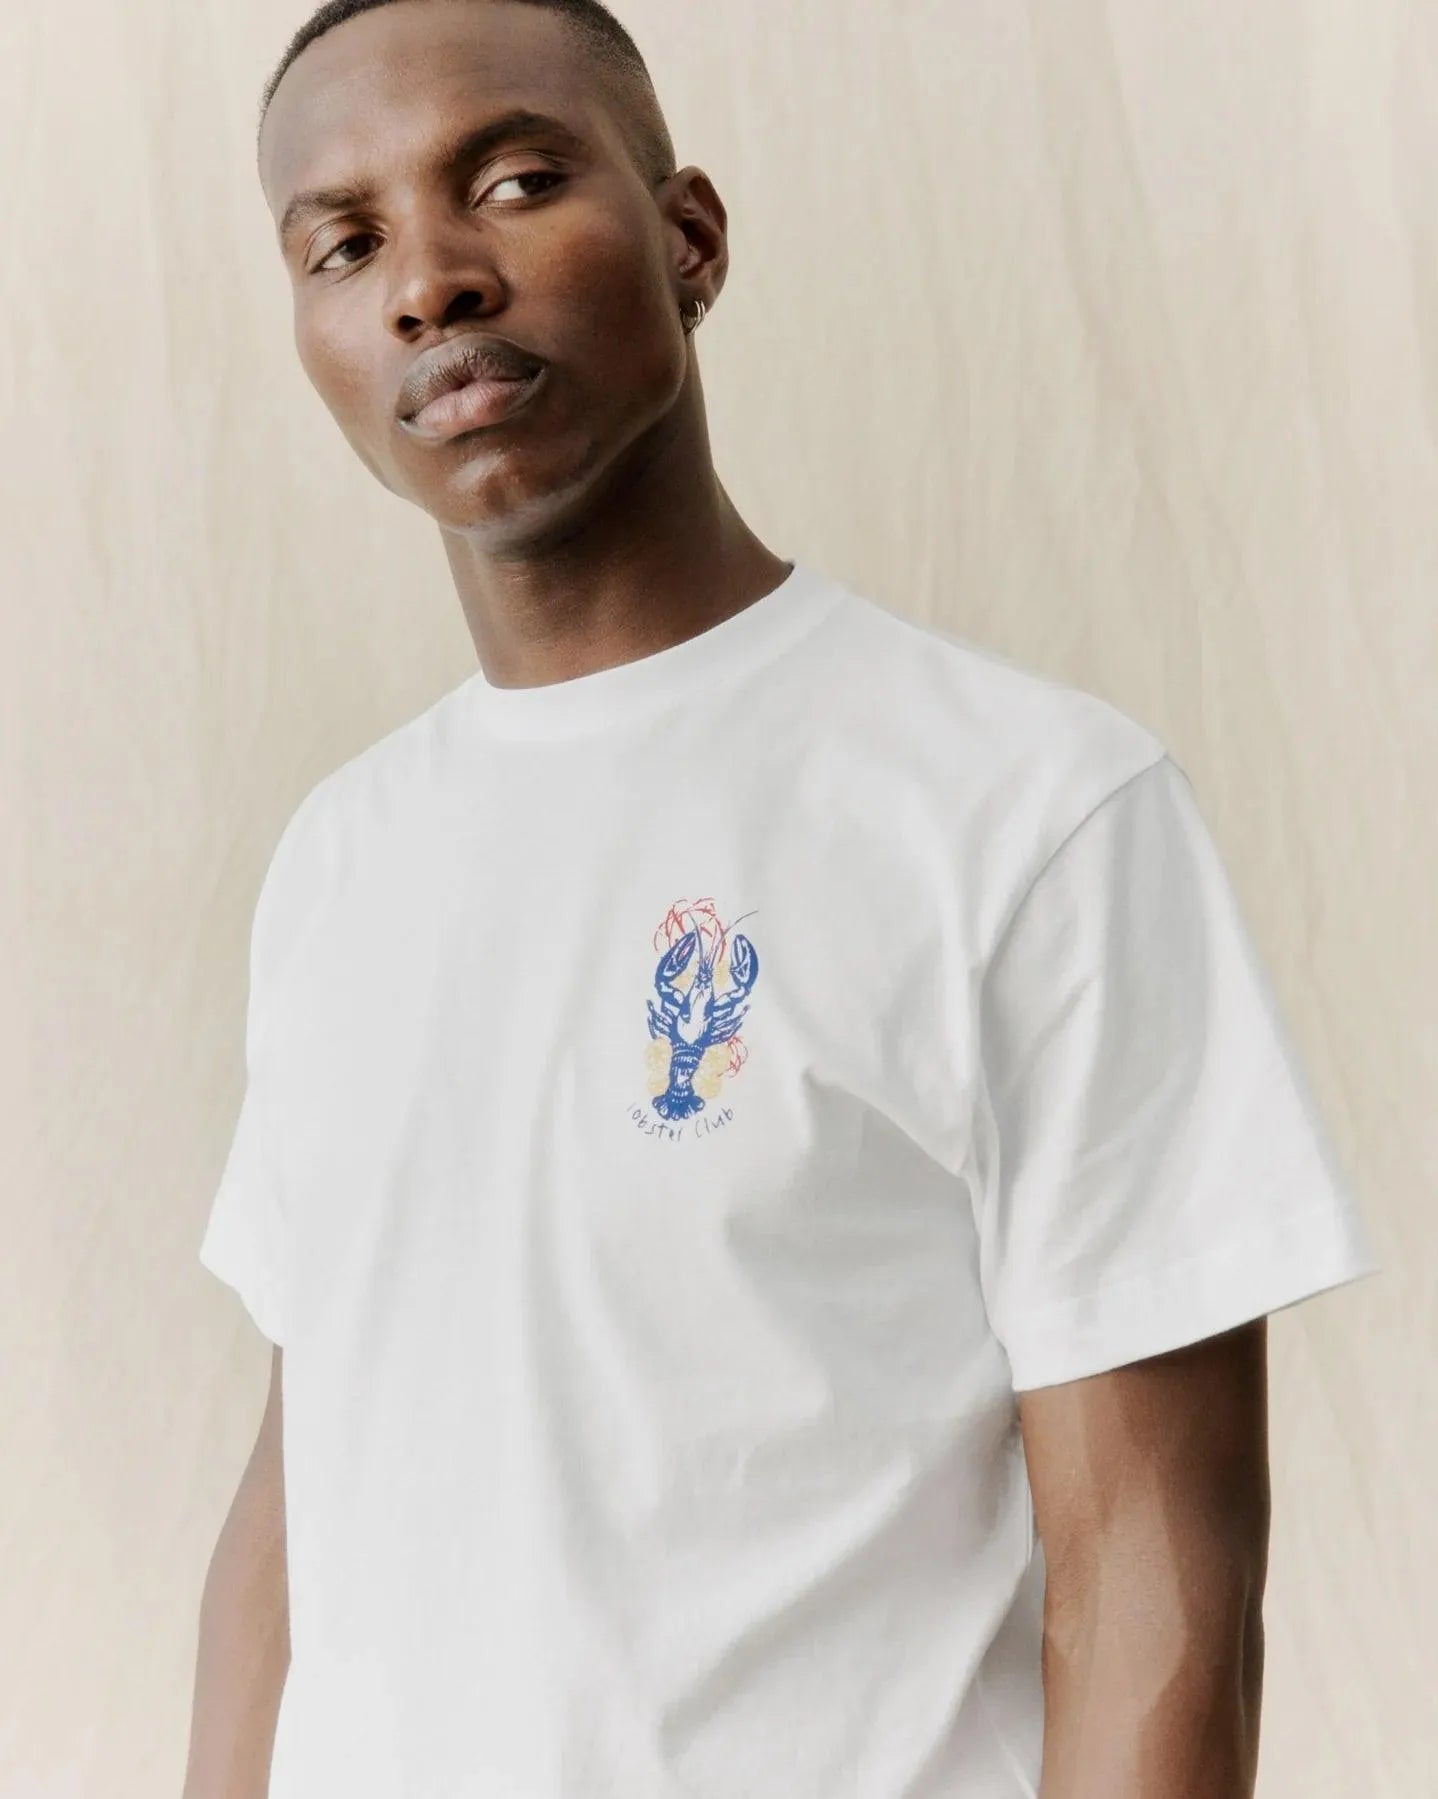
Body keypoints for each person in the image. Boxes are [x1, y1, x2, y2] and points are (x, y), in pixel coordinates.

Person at [184, 2, 1381, 1795]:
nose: (429, 283)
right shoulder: (338, 859)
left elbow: (1152, 1576)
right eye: (342, 247)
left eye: (510, 183)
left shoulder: (1026, 809)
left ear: (690, 239)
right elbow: (304, 1487)